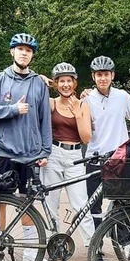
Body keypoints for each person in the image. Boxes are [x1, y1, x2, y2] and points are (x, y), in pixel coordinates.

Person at [0, 33, 52, 261]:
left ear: (32, 55)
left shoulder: (38, 83)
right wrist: (10, 109)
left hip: (30, 153)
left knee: (26, 201)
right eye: (20, 49)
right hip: (4, 152)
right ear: (12, 52)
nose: (24, 53)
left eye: (28, 50)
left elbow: (44, 119)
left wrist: (45, 149)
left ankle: (30, 251)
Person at [82, 56, 130, 258]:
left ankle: (127, 242)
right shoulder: (86, 99)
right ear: (93, 77)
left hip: (118, 156)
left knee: (122, 200)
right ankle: (97, 247)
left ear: (112, 75)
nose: (103, 78)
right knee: (94, 203)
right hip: (94, 157)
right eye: (99, 75)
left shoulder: (123, 96)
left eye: (106, 74)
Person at [38, 62, 94, 248]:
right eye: (61, 81)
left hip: (75, 156)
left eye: (69, 81)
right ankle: (54, 245)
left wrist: (77, 115)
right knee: (51, 203)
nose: (65, 85)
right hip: (53, 154)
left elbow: (86, 138)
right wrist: (37, 81)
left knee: (81, 205)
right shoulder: (51, 103)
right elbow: (35, 104)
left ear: (74, 83)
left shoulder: (83, 106)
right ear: (56, 83)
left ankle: (93, 247)